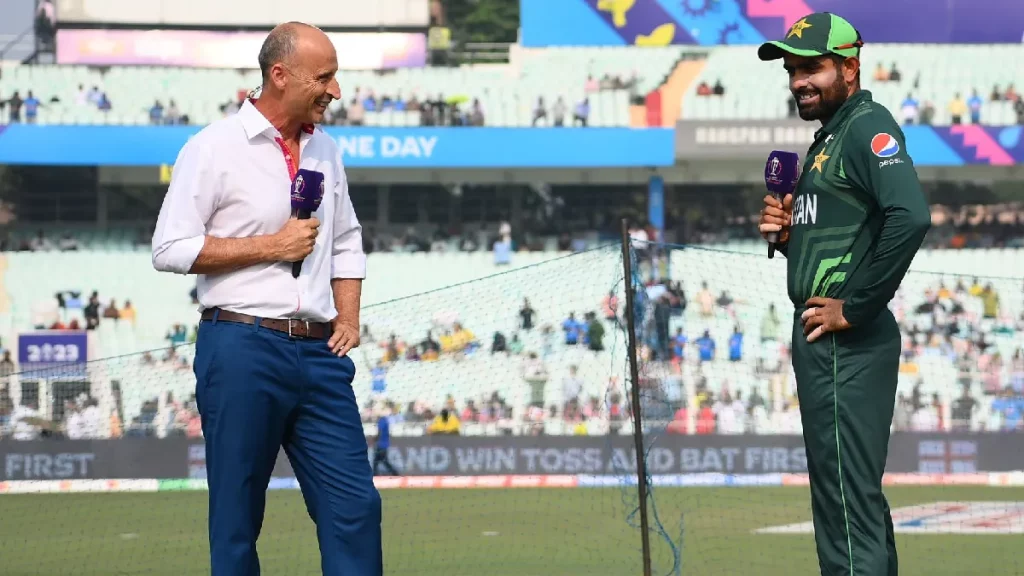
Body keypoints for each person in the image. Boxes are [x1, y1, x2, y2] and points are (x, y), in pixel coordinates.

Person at [151, 22, 381, 576]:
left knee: (356, 506)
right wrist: (272, 245)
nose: (335, 90)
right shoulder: (211, 148)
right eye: (324, 77)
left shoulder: (327, 149)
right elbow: (169, 248)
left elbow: (346, 241)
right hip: (240, 346)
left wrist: (347, 315)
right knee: (236, 515)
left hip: (321, 355)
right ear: (280, 75)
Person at [756, 12, 931, 576]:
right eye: (791, 70)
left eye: (811, 67)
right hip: (829, 339)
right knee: (852, 497)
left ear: (849, 67)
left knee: (843, 504)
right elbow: (841, 244)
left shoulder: (865, 126)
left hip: (843, 342)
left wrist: (855, 308)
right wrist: (788, 238)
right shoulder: (831, 137)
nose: (797, 80)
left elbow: (912, 217)